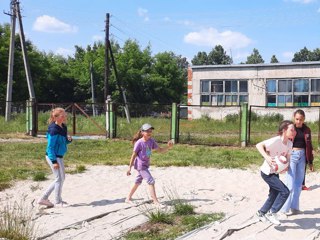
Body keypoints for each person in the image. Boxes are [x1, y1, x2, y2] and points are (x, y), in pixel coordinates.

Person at [256, 120, 296, 225]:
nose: (294, 131)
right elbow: (258, 145)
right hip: (267, 172)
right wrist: (267, 157)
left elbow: (287, 159)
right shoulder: (276, 140)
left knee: (274, 194)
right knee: (285, 191)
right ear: (284, 130)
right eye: (292, 129)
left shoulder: (290, 143)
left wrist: (285, 167)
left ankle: (261, 213)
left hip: (275, 172)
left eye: (294, 130)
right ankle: (272, 212)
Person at [126, 123, 173, 205]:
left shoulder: (151, 141)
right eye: (147, 131)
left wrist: (168, 147)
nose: (149, 132)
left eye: (150, 131)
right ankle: (155, 201)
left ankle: (128, 198)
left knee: (138, 182)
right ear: (142, 132)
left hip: (145, 165)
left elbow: (160, 150)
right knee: (151, 181)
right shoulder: (139, 143)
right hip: (141, 166)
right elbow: (133, 155)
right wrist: (129, 167)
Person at [281, 109, 314, 215]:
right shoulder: (290, 128)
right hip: (292, 156)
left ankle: (294, 208)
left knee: (298, 184)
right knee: (290, 184)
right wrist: (284, 158)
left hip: (302, 156)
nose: (298, 121)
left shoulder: (307, 130)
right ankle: (284, 209)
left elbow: (309, 146)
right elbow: (283, 141)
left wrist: (310, 162)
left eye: (301, 119)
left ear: (304, 119)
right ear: (294, 118)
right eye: (297, 119)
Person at [38, 108, 72, 208]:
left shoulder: (63, 127)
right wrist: (54, 161)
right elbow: (50, 147)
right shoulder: (53, 129)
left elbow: (63, 141)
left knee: (61, 178)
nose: (65, 117)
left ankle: (44, 198)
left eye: (65, 115)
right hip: (53, 156)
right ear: (55, 117)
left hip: (59, 156)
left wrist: (68, 140)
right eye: (62, 116)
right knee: (59, 179)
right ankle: (57, 201)